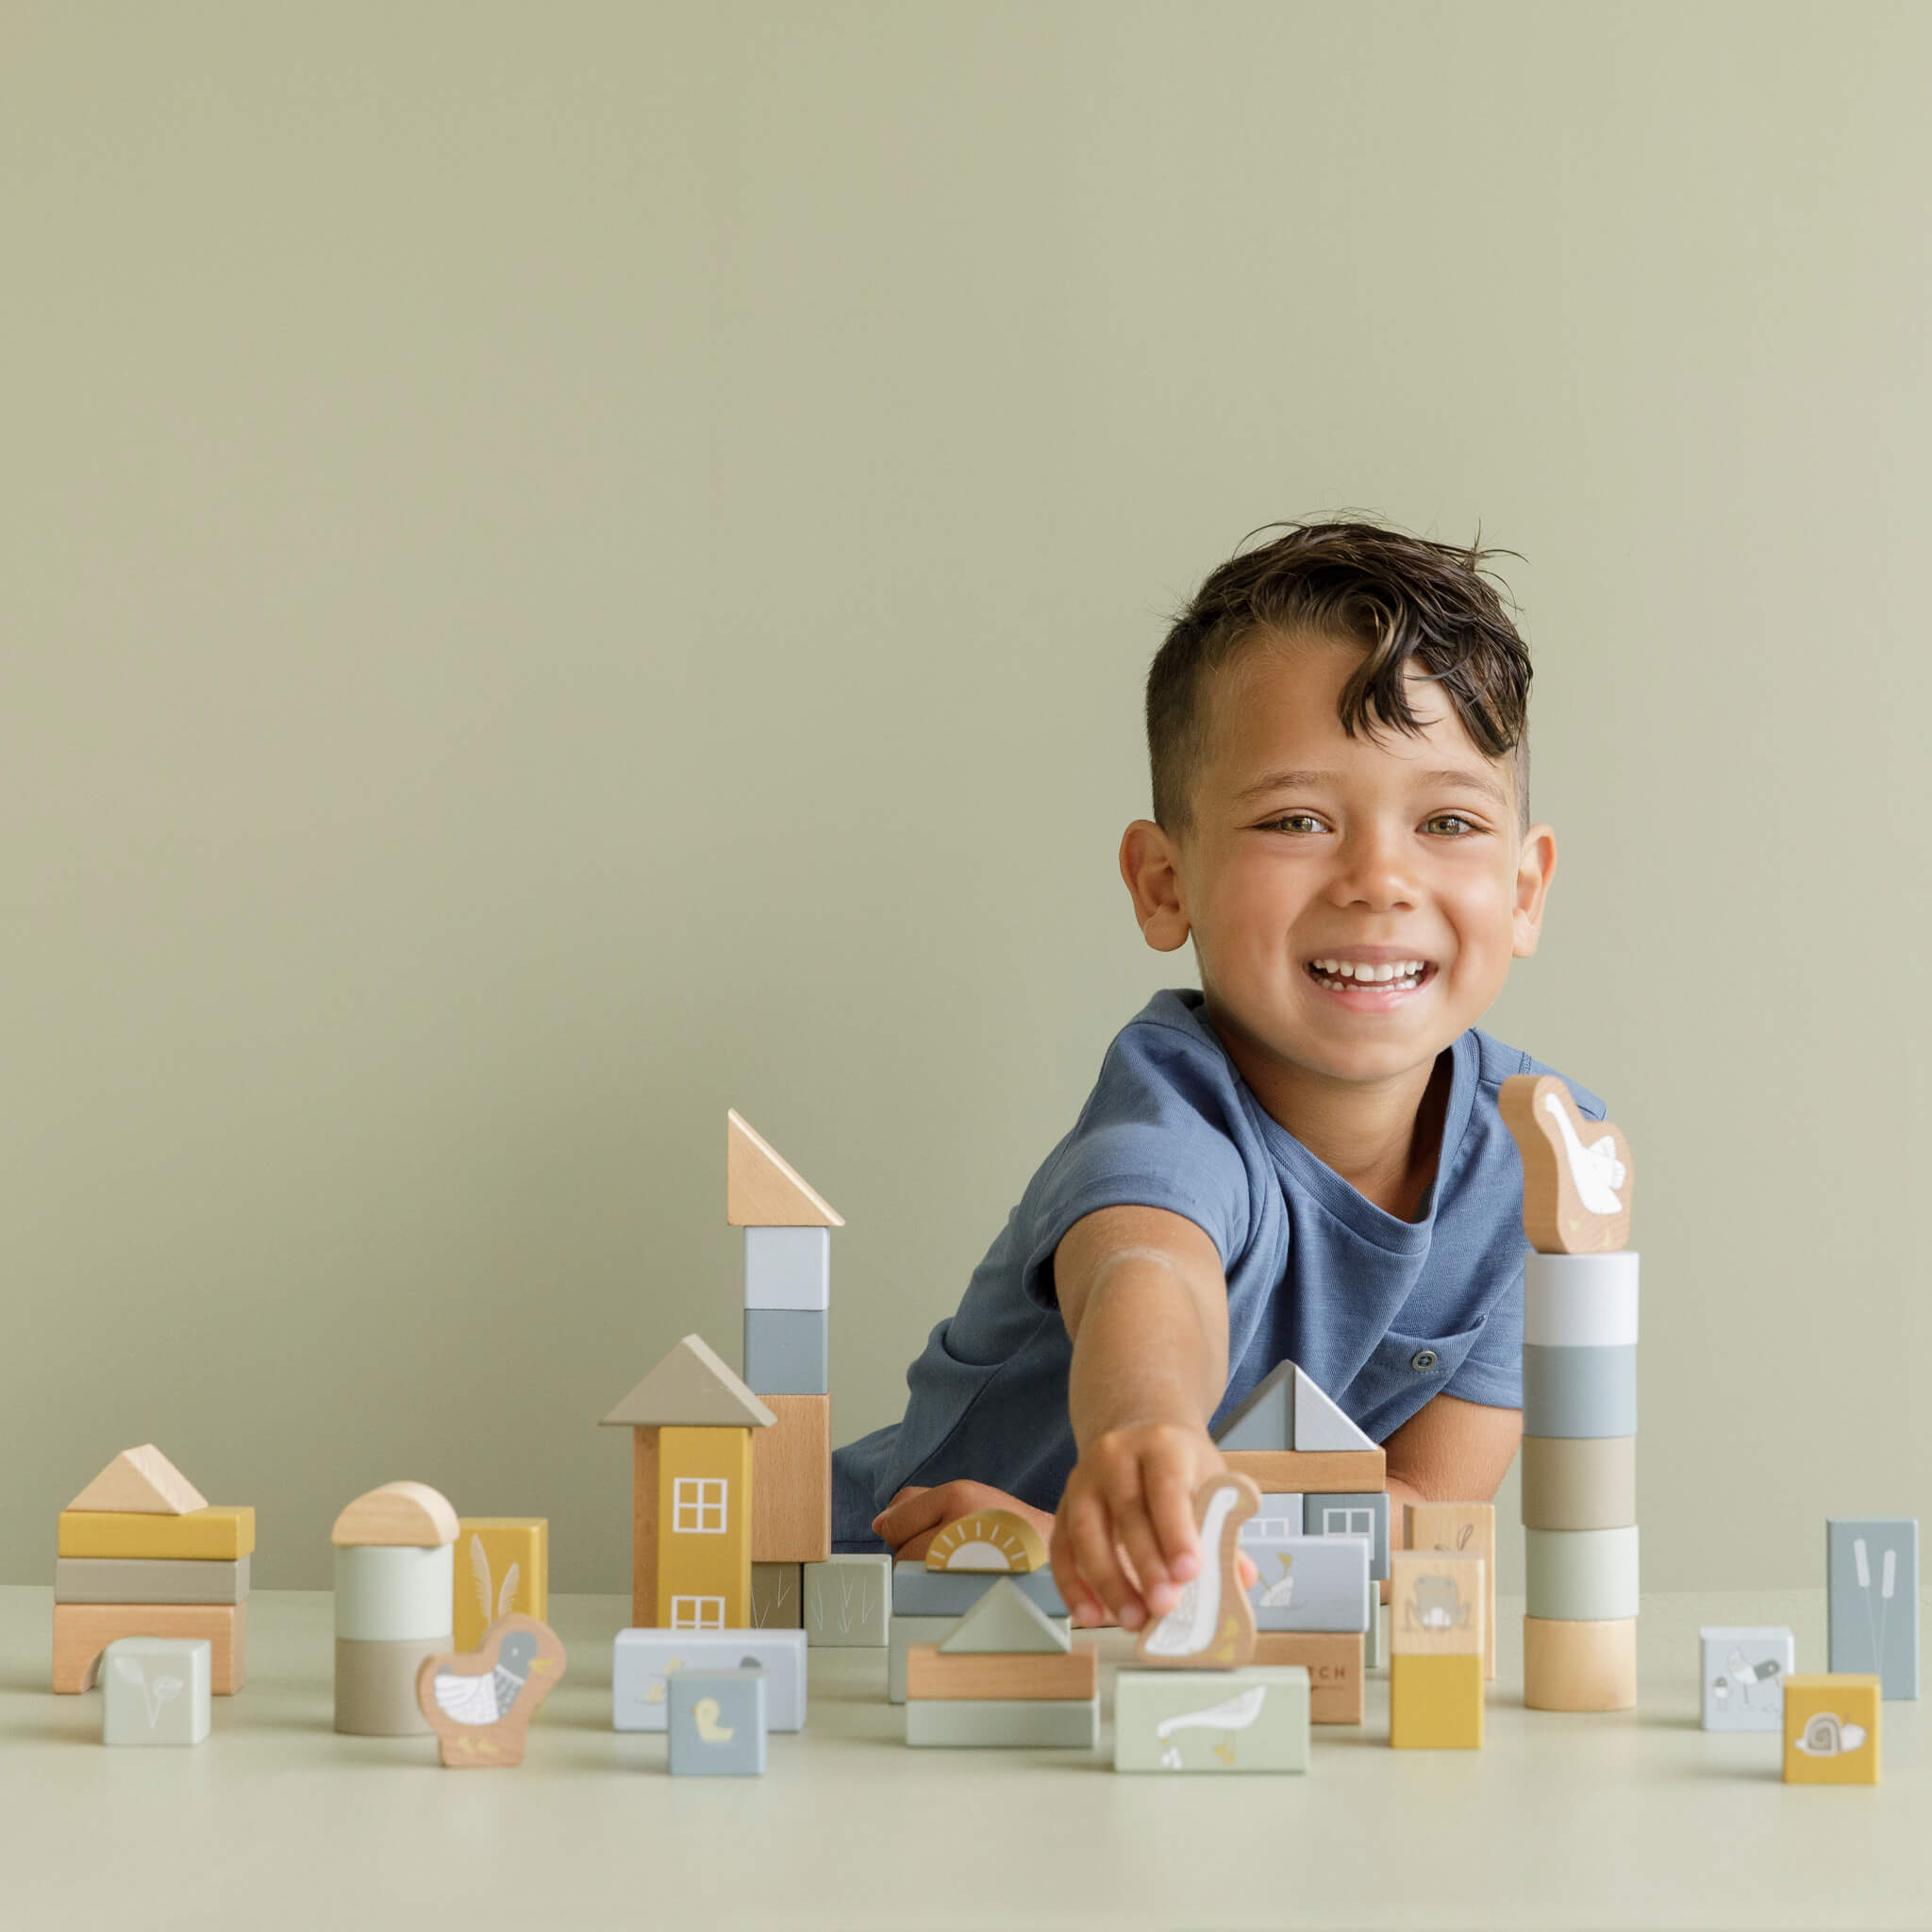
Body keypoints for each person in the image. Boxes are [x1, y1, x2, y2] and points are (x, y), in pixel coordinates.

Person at [831, 516, 1600, 1635]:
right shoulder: (1170, 1111)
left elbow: (1427, 1516)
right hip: (889, 1600)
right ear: (1163, 883)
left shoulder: (1537, 1162)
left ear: (1523, 891)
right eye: (1296, 819)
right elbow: (1150, 1276)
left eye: (1445, 820)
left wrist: (1173, 1541)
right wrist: (1146, 1436)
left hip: (1164, 1632)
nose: (1379, 877)